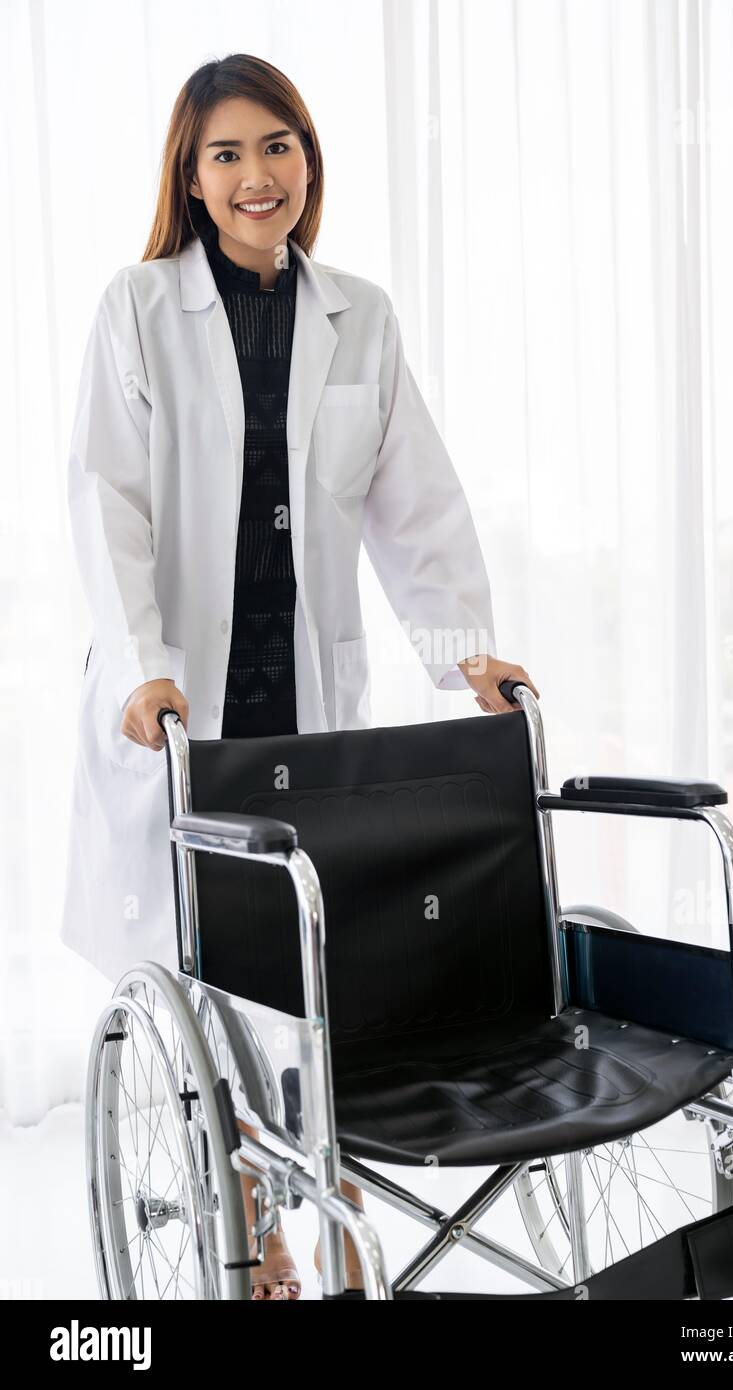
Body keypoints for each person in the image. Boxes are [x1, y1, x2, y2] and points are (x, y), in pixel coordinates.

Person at [62, 52, 539, 1299]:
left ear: (307, 162)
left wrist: (462, 655)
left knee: (299, 979)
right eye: (226, 154)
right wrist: (145, 664)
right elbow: (106, 501)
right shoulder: (138, 304)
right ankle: (258, 1239)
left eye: (276, 146)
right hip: (179, 707)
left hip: (303, 709)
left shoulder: (359, 318)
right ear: (191, 175)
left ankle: (291, 1222)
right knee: (210, 980)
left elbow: (412, 507)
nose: (255, 175)